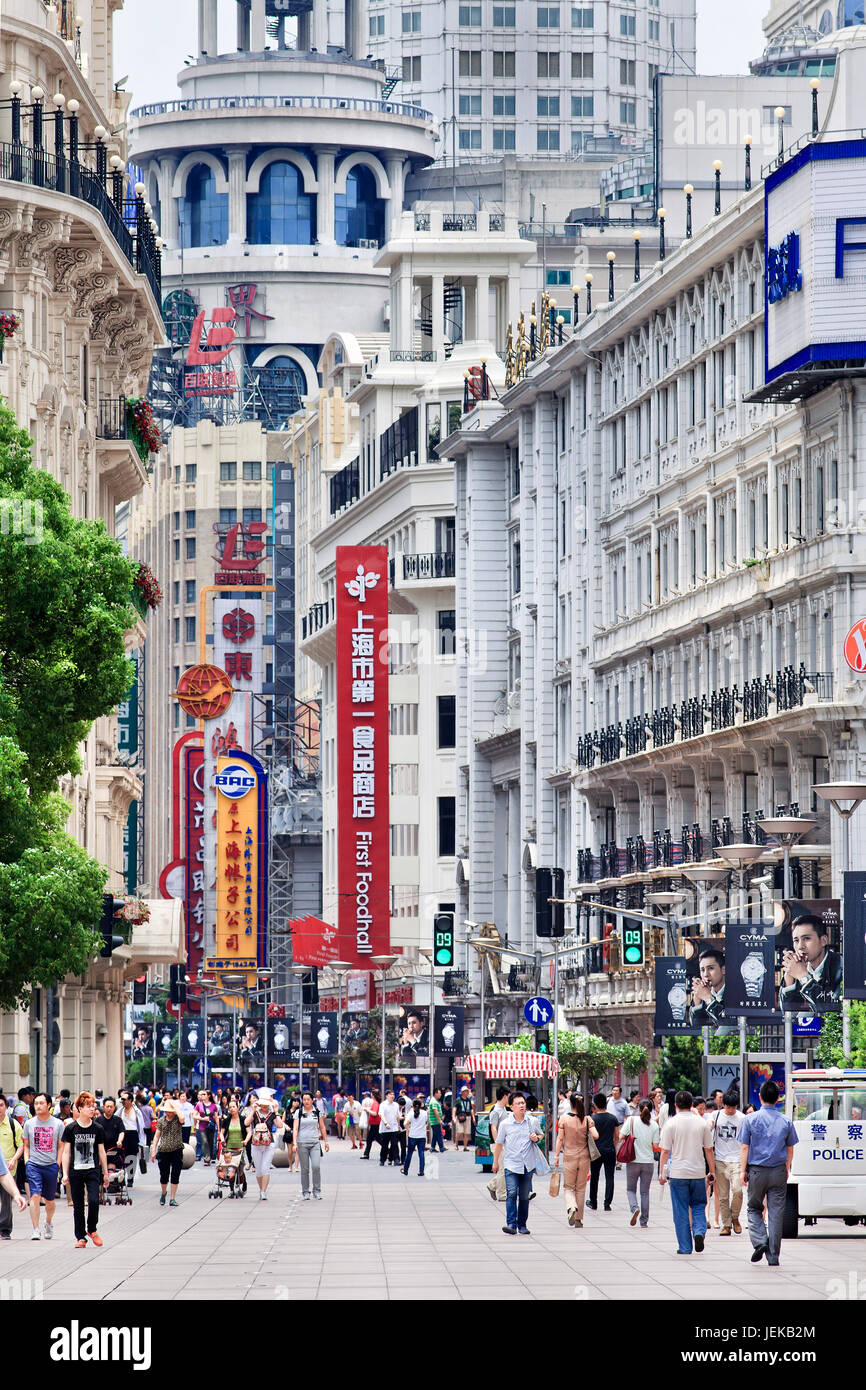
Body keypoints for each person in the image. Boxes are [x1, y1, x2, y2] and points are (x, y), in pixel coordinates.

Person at [738, 1078, 798, 1266]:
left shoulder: (750, 1119)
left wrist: (742, 1171)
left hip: (757, 1171)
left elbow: (744, 1148)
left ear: (760, 1097)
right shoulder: (786, 1121)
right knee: (776, 1213)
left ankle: (760, 1241)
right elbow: (790, 1148)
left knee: (754, 1207)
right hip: (779, 1170)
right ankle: (773, 1256)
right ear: (777, 1097)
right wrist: (787, 1168)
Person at [658, 1091, 715, 1255]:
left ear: (675, 1105)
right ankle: (698, 1232)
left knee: (681, 1209)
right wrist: (712, 1171)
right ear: (692, 1105)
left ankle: (685, 1247)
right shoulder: (701, 1123)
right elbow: (709, 1150)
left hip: (677, 1173)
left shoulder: (670, 1124)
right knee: (698, 1205)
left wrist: (662, 1173)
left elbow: (664, 1152)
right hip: (697, 1172)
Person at [60, 1092, 110, 1248]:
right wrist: (65, 1173)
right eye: (88, 1106)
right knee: (78, 1205)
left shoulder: (98, 1128)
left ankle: (92, 1229)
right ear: (79, 1108)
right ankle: (80, 1237)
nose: (92, 1109)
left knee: (94, 1200)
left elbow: (101, 1151)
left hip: (92, 1169)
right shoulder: (70, 1128)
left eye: (93, 1106)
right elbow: (66, 1152)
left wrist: (106, 1173)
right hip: (75, 1170)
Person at [492, 1093, 542, 1236]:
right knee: (512, 1194)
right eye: (518, 1103)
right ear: (511, 1106)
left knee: (525, 1196)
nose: (521, 1105)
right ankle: (511, 1224)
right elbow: (499, 1143)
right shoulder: (505, 1124)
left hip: (527, 1165)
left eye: (523, 1103)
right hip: (511, 1164)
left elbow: (541, 1135)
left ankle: (522, 1225)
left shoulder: (532, 1121)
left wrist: (536, 1138)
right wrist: (495, 1162)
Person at [779, 913, 844, 1013]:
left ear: (823, 940)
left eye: (806, 938)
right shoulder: (799, 967)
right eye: (796, 940)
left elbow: (832, 1012)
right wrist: (789, 977)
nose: (800, 946)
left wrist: (804, 978)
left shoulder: (842, 967)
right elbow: (790, 1017)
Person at [22, 1093, 65, 1241]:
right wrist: (27, 1162)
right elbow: (26, 1145)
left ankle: (48, 1222)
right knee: (34, 1196)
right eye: (36, 1103)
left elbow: (61, 1146)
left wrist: (57, 1164)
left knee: (50, 1200)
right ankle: (35, 1229)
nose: (38, 1106)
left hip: (51, 1165)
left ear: (48, 1105)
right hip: (34, 1165)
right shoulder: (29, 1124)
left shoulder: (58, 1124)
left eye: (41, 1103)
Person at [554, 1093, 598, 1228]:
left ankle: (571, 1207)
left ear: (571, 1103)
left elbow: (560, 1138)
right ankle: (579, 1219)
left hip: (569, 1157)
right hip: (584, 1157)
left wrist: (556, 1156)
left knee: (568, 1187)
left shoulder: (564, 1119)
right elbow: (596, 1135)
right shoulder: (587, 1119)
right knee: (580, 1188)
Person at [618, 1099, 659, 1228]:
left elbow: (621, 1137)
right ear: (651, 1110)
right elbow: (656, 1145)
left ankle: (634, 1208)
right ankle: (644, 1221)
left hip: (633, 1160)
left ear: (639, 1109)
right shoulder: (654, 1125)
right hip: (648, 1162)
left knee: (631, 1189)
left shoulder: (631, 1120)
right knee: (645, 1192)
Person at [710, 1090, 745, 1237]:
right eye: (728, 1107)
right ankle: (726, 1225)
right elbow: (709, 1127)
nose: (730, 1110)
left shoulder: (742, 1118)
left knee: (737, 1191)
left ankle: (735, 1217)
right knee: (723, 1196)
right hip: (720, 1159)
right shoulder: (715, 1115)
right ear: (723, 1104)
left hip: (737, 1160)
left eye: (733, 1107)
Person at [246, 1092, 285, 1199]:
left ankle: (263, 1191)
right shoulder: (255, 1113)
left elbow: (280, 1125)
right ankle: (261, 1189)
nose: (264, 1106)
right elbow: (246, 1123)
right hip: (256, 1143)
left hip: (269, 1144)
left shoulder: (272, 1114)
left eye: (266, 1104)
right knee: (258, 1169)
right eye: (262, 1103)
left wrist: (276, 1112)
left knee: (265, 1168)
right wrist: (253, 1110)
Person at [293, 1090, 329, 1200]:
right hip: (302, 1143)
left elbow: (322, 1127)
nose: (306, 1101)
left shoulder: (317, 1112)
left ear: (312, 1100)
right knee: (305, 1169)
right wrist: (295, 1143)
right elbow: (295, 1128)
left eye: (308, 1099)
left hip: (315, 1143)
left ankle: (317, 1190)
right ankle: (306, 1191)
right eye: (304, 1099)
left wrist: (326, 1141)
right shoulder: (298, 1112)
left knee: (316, 1166)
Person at [587, 1093, 619, 1212]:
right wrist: (613, 1147)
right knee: (609, 1177)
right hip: (609, 1150)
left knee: (594, 1177)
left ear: (594, 1105)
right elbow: (617, 1136)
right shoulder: (613, 1118)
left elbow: (589, 1137)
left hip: (596, 1152)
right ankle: (607, 1204)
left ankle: (593, 1202)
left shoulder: (592, 1119)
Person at [151, 1097, 185, 1206]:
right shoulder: (161, 1120)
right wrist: (153, 1150)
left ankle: (173, 1198)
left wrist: (175, 1108)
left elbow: (183, 1118)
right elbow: (156, 1136)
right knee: (164, 1175)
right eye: (166, 1111)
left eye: (170, 1112)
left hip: (177, 1149)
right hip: (163, 1150)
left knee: (175, 1174)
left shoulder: (177, 1119)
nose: (168, 1113)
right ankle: (163, 1193)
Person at [0, 1095, 23, 1238]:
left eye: (1, 1105)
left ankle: (5, 1228)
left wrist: (14, 1159)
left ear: (6, 1107)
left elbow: (21, 1145)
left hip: (8, 1168)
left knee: (6, 1200)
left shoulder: (13, 1124)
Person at [117, 1091, 147, 1192]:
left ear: (130, 1100)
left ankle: (130, 1178)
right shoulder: (120, 1111)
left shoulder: (136, 1111)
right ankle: (122, 1178)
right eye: (121, 1100)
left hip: (133, 1136)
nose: (123, 1102)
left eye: (124, 1100)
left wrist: (142, 1141)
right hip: (123, 1135)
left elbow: (141, 1126)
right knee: (121, 1157)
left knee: (132, 1157)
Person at [486, 1088, 511, 1203]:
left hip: (503, 1143)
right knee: (502, 1169)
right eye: (509, 1096)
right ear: (505, 1096)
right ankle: (501, 1194)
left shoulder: (503, 1109)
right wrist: (498, 1143)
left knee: (505, 1168)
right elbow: (493, 1127)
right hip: (498, 1144)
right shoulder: (496, 1110)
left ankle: (492, 1185)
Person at [219, 1097, 248, 1195]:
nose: (231, 1109)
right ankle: (231, 1189)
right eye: (230, 1107)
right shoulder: (227, 1120)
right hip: (229, 1147)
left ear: (238, 1107)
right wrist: (222, 1139)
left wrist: (246, 1140)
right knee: (230, 1168)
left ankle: (243, 1182)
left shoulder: (243, 1119)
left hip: (240, 1147)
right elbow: (221, 1133)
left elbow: (249, 1132)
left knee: (239, 1168)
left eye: (233, 1107)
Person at [403, 1098, 427, 1177]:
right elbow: (426, 1122)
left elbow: (405, 1123)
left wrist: (408, 1129)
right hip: (422, 1136)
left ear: (412, 1106)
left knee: (409, 1153)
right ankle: (421, 1171)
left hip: (412, 1136)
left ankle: (405, 1170)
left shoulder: (410, 1113)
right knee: (421, 1153)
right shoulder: (424, 1113)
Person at [378, 1090, 401, 1167]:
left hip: (394, 1128)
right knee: (384, 1145)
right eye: (391, 1094)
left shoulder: (396, 1105)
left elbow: (398, 1116)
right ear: (387, 1096)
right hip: (385, 1129)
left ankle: (396, 1159)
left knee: (394, 1144)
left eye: (393, 1094)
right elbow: (381, 1115)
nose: (393, 1096)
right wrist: (386, 1123)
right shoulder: (383, 1105)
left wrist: (398, 1126)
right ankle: (382, 1159)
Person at [194, 1090, 217, 1165]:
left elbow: (216, 1117)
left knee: (211, 1142)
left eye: (204, 1094)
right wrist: (203, 1119)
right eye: (202, 1094)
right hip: (202, 1126)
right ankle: (206, 1159)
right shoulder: (198, 1105)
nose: (202, 1096)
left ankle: (210, 1156)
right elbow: (194, 1115)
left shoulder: (214, 1105)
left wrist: (219, 1128)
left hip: (211, 1126)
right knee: (204, 1142)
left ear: (208, 1096)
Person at [361, 1088, 382, 1160]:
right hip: (374, 1124)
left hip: (375, 1124)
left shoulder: (375, 1103)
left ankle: (388, 1151)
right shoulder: (375, 1103)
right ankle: (366, 1154)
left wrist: (367, 1110)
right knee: (369, 1139)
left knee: (378, 1139)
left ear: (373, 1095)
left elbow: (374, 1113)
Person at [454, 1087, 475, 1152]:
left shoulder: (469, 1100)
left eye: (467, 1091)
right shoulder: (458, 1100)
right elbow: (454, 1109)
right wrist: (453, 1117)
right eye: (465, 1091)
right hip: (460, 1117)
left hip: (468, 1117)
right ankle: (456, 1143)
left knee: (467, 1132)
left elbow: (471, 1109)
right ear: (462, 1092)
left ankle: (465, 1147)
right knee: (460, 1131)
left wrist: (473, 1117)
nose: (467, 1093)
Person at [428, 1087, 446, 1153]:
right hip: (435, 1121)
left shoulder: (435, 1101)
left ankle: (432, 1147)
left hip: (435, 1121)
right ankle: (441, 1147)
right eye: (439, 1093)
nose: (440, 1094)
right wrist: (439, 1120)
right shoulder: (433, 1101)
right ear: (435, 1093)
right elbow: (435, 1111)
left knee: (435, 1135)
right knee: (439, 1134)